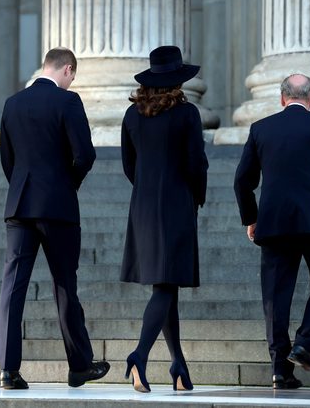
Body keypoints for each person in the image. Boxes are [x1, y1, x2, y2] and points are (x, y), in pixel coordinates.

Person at [0, 47, 110, 389]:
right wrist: (66, 184)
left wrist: (22, 188)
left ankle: (7, 370)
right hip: (57, 207)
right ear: (67, 70)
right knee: (64, 286)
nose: (72, 81)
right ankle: (79, 365)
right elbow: (85, 155)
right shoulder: (68, 102)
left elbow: (7, 160)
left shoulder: (12, 103)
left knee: (12, 289)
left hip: (19, 206)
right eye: (72, 75)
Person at [234, 74, 310, 389]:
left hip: (273, 221)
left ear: (282, 98)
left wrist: (251, 217)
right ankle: (305, 344)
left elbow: (242, 180)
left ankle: (280, 370)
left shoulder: (261, 128)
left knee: (275, 295)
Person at [120, 45, 208, 393]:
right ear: (177, 80)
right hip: (175, 204)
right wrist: (196, 195)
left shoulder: (132, 115)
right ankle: (139, 355)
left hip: (142, 206)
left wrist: (146, 188)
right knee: (166, 284)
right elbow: (195, 163)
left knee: (164, 283)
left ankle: (178, 365)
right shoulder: (187, 114)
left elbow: (130, 164)